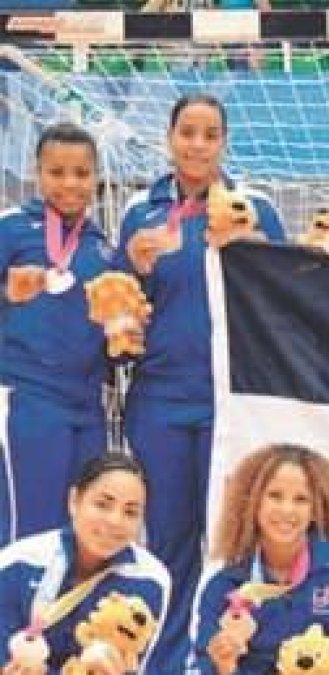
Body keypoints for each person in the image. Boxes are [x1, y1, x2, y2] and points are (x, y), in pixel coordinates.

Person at [116, 92, 288, 672]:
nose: (197, 144)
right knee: (168, 537)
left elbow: (288, 296)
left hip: (232, 400)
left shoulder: (255, 208)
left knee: (228, 538)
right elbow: (117, 311)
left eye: (210, 134)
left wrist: (254, 248)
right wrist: (132, 268)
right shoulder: (140, 211)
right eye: (187, 132)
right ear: (169, 138)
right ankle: (166, 663)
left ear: (224, 142)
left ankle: (221, 658)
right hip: (159, 400)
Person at [0, 122, 111, 545]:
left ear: (96, 177)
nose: (69, 184)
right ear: (37, 173)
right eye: (57, 172)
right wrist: (7, 293)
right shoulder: (10, 228)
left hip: (88, 406)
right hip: (27, 398)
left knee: (81, 532)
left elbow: (111, 332)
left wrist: (124, 338)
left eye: (81, 173)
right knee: (28, 531)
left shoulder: (103, 247)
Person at [191, 443, 329, 675]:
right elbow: (198, 665)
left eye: (301, 499)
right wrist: (224, 665)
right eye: (275, 496)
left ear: (316, 509)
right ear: (253, 501)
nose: (287, 510)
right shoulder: (222, 575)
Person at [0, 453, 171, 674]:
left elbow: (133, 666)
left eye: (130, 512)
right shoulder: (18, 563)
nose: (115, 521)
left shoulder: (151, 580)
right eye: (103, 505)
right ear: (74, 501)